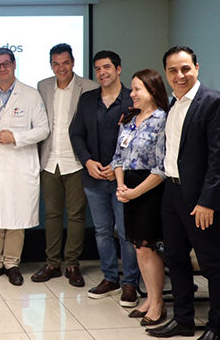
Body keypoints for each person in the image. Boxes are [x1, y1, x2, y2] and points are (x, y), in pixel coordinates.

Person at [147, 46, 220, 340]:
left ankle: (216, 326)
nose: (180, 75)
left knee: (212, 264)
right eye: (173, 70)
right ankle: (183, 320)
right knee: (175, 259)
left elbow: (217, 159)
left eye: (185, 69)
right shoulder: (172, 105)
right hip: (173, 194)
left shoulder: (211, 102)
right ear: (166, 73)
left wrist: (207, 201)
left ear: (197, 68)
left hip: (200, 199)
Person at [0, 48, 49, 286]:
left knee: (16, 217)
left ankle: (12, 263)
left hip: (19, 164)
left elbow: (43, 129)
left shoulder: (30, 95)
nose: (2, 69)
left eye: (6, 64)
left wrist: (15, 137)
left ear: (14, 65)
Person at [70, 50, 140, 308]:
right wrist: (87, 161)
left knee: (125, 231)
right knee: (101, 231)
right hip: (94, 177)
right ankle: (110, 278)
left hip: (125, 179)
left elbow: (138, 139)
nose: (102, 72)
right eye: (98, 68)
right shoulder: (88, 99)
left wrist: (117, 166)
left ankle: (130, 282)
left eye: (107, 67)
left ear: (119, 69)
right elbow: (76, 134)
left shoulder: (132, 99)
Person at [33, 43, 99, 287]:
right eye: (56, 63)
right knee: (51, 215)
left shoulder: (90, 87)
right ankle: (52, 262)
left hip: (77, 162)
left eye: (65, 62)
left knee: (76, 215)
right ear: (51, 65)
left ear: (73, 63)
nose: (61, 68)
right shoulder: (43, 86)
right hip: (49, 160)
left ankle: (72, 263)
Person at [110, 69, 168, 327]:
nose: (131, 94)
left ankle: (157, 303)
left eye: (136, 90)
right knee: (137, 246)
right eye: (132, 89)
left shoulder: (162, 120)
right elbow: (118, 158)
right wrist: (122, 187)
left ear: (152, 91)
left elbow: (161, 167)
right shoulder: (129, 120)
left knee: (147, 247)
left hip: (150, 189)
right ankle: (149, 299)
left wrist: (135, 192)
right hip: (128, 188)